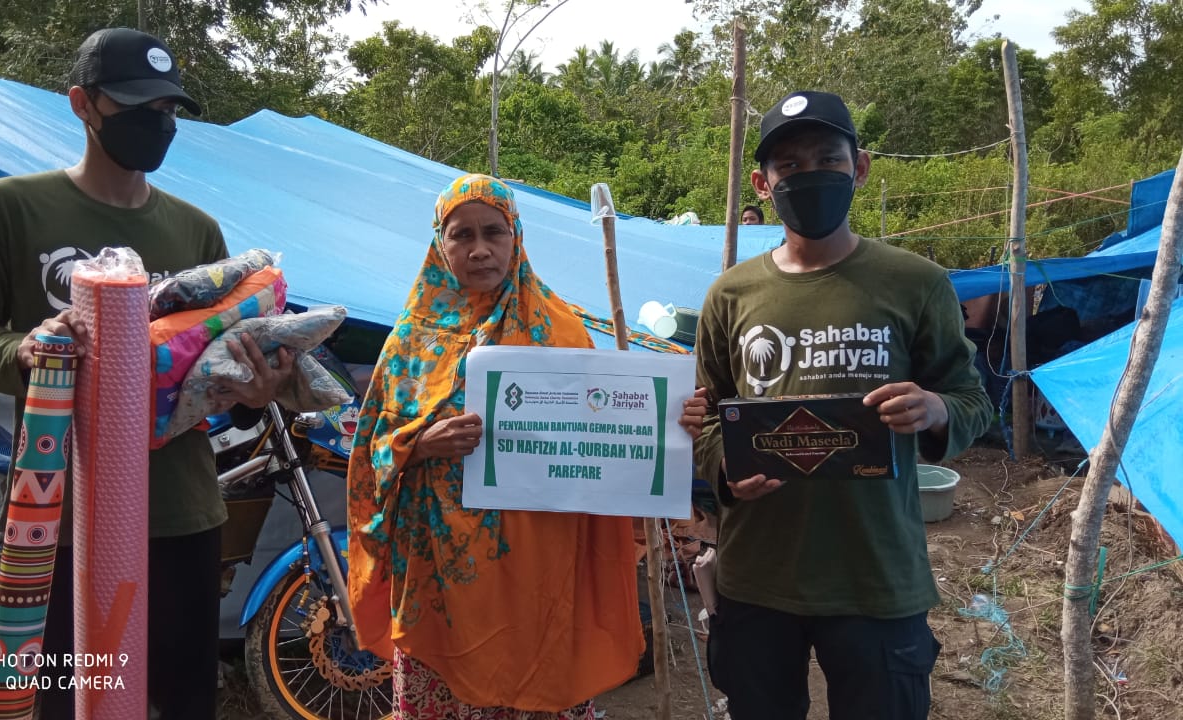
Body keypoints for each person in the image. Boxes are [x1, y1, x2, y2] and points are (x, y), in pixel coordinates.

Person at [0, 28, 290, 720]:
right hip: (60, 512)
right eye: (138, 105)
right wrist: (27, 349)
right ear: (82, 104)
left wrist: (256, 393)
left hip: (182, 509)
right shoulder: (11, 207)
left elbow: (221, 366)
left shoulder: (196, 230)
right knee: (67, 699)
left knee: (180, 701)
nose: (158, 122)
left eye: (168, 109)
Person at [347, 173, 707, 719]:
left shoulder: (559, 331)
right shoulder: (409, 342)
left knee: (540, 686)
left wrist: (671, 424)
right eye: (461, 234)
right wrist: (417, 446)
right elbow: (367, 458)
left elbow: (606, 432)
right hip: (438, 582)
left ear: (516, 236)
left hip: (537, 571)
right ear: (439, 243)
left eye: (493, 231)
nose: (479, 249)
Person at [692, 91, 992, 720]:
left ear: (859, 168)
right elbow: (709, 413)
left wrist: (934, 409)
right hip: (759, 573)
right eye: (790, 166)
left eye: (828, 159)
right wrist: (725, 469)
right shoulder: (730, 295)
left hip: (874, 573)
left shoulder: (916, 282)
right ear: (763, 184)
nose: (810, 175)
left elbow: (972, 400)